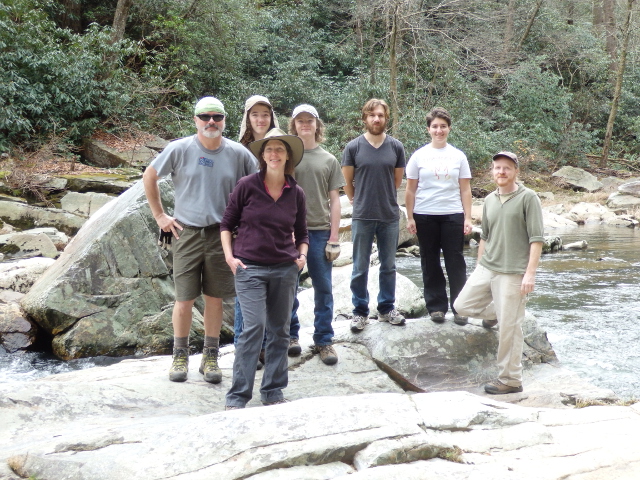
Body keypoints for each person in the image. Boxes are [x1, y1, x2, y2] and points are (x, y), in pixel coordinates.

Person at [143, 96, 257, 383]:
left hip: (223, 234)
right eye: (205, 117)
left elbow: (258, 186)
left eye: (217, 117)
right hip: (186, 232)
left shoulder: (239, 153)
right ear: (195, 120)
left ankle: (210, 357)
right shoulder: (179, 149)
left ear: (224, 121)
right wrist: (160, 216)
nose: (211, 122)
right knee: (184, 298)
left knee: (215, 299)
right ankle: (179, 356)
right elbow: (150, 175)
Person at [221, 128, 308, 409]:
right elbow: (226, 224)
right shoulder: (247, 185)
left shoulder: (296, 192)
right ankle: (238, 396)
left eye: (280, 150)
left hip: (285, 269)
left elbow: (302, 232)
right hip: (250, 268)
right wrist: (229, 258)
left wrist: (301, 256)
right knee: (253, 329)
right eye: (269, 149)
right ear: (262, 156)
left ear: (287, 156)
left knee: (280, 330)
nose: (274, 154)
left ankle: (272, 391)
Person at [453, 151, 544, 395]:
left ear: (516, 171)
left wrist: (530, 274)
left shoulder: (528, 198)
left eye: (507, 168)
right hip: (488, 267)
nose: (501, 172)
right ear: (492, 171)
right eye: (497, 168)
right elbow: (485, 236)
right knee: (462, 306)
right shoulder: (490, 200)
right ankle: (498, 313)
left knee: (510, 328)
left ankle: (511, 380)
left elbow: (536, 239)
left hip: (513, 271)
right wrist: (479, 266)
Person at [341, 98, 406, 332]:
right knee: (360, 267)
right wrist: (356, 199)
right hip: (362, 215)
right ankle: (359, 312)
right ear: (365, 118)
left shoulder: (396, 147)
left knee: (388, 265)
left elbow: (397, 180)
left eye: (380, 115)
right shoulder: (354, 147)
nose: (376, 119)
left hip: (389, 214)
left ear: (386, 118)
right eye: (371, 115)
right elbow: (347, 181)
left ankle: (386, 308)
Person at [288, 104, 345, 365]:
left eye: (309, 120)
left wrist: (335, 237)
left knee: (323, 288)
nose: (305, 124)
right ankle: (290, 336)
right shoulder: (287, 158)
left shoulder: (329, 160)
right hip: (290, 232)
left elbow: (335, 201)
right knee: (288, 287)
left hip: (321, 232)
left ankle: (324, 339)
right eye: (300, 121)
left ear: (317, 125)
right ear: (294, 125)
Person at [405, 107, 472, 326]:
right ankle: (436, 307)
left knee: (455, 261)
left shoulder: (458, 156)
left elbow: (465, 189)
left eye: (443, 126)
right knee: (429, 260)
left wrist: (468, 218)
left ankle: (459, 307)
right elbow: (410, 189)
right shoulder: (419, 156)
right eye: (435, 126)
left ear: (449, 128)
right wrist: (410, 217)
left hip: (453, 214)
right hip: (425, 214)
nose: (439, 130)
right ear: (428, 129)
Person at [234, 95, 280, 368]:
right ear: (247, 118)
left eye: (265, 114)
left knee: (272, 292)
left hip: (275, 229)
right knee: (244, 291)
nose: (260, 120)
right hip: (245, 228)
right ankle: (244, 347)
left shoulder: (280, 144)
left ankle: (265, 348)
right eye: (255, 115)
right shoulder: (238, 148)